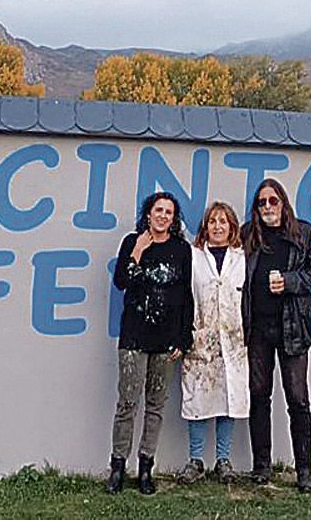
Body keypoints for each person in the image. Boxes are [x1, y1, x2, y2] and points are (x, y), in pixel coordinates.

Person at [106, 192, 194, 495]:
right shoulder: (133, 242)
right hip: (133, 336)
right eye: (159, 210)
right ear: (148, 214)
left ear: (174, 218)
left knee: (156, 406)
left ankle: (146, 468)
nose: (163, 216)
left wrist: (184, 337)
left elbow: (186, 296)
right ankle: (118, 466)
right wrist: (138, 253)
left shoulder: (182, 249)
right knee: (127, 403)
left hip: (166, 340)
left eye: (169, 212)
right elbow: (121, 281)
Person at [241, 178, 311, 493]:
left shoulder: (304, 234)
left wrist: (289, 281)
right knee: (259, 397)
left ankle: (304, 470)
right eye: (261, 203)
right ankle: (261, 467)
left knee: (297, 399)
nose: (267, 207)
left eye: (272, 201)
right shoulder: (249, 235)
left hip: (293, 329)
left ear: (283, 203)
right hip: (258, 330)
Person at [177, 201, 248, 485]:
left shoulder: (242, 258)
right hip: (201, 339)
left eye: (224, 222)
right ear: (205, 227)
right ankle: (195, 460)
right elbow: (184, 296)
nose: (218, 227)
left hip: (234, 340)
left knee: (228, 399)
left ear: (232, 228)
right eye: (212, 222)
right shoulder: (193, 257)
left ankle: (223, 460)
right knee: (198, 399)